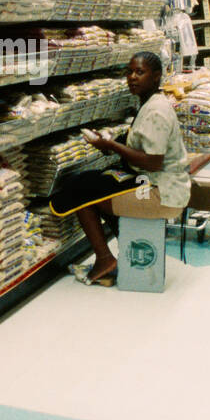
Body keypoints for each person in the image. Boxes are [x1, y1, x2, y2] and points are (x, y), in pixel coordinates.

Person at [47, 51, 191, 286]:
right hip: (155, 183)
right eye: (129, 72)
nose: (132, 77)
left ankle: (105, 259)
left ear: (156, 77)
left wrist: (111, 145)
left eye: (140, 72)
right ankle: (127, 249)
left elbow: (153, 162)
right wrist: (110, 146)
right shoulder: (150, 103)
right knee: (91, 181)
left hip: (161, 193)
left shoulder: (156, 111)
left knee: (85, 195)